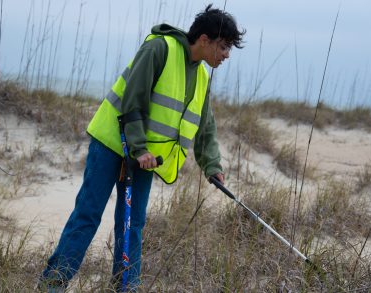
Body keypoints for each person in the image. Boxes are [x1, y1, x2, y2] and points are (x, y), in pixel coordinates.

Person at [38, 4, 245, 292]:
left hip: (146, 157)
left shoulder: (201, 77)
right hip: (113, 142)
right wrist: (137, 148)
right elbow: (132, 100)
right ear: (204, 40)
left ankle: (125, 287)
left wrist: (212, 165)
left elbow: (205, 125)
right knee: (88, 213)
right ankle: (53, 284)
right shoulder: (159, 49)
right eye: (223, 47)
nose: (226, 55)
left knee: (133, 224)